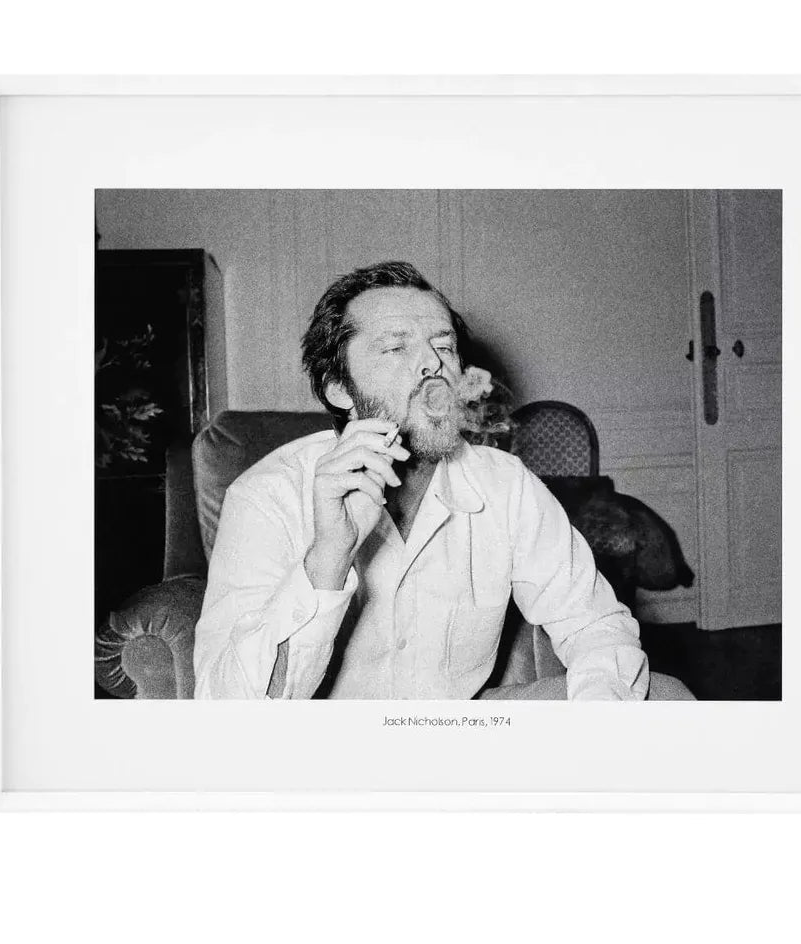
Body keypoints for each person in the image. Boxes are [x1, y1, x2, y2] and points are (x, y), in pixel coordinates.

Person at [193, 261, 650, 700]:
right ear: (339, 388)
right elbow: (227, 713)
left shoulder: (505, 485)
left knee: (665, 698)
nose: (433, 363)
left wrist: (599, 723)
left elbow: (597, 626)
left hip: (457, 733)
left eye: (444, 347)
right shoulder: (265, 496)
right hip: (325, 746)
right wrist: (328, 556)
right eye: (397, 348)